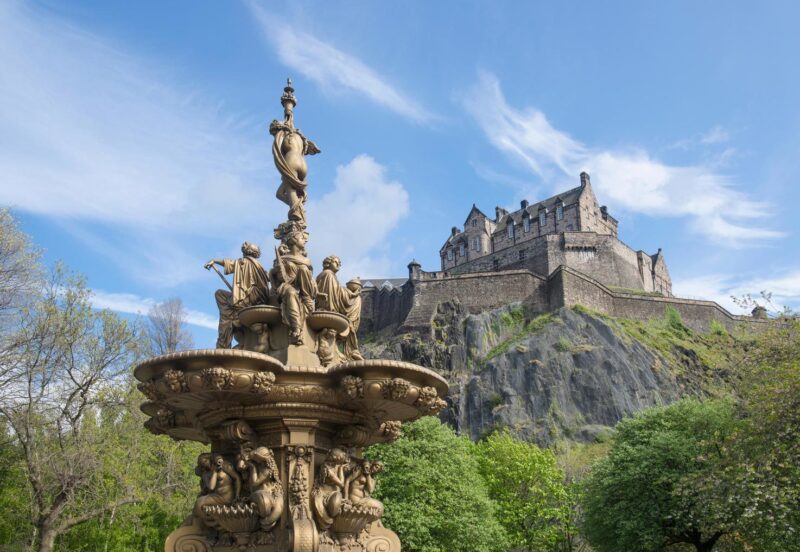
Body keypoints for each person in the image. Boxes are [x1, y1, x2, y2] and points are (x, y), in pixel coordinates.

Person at [205, 242, 269, 349]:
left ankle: (224, 338)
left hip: (248, 299)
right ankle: (229, 316)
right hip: (255, 298)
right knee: (221, 295)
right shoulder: (259, 266)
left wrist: (214, 261)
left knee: (220, 296)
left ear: (247, 252)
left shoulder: (244, 262)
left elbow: (229, 263)